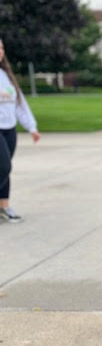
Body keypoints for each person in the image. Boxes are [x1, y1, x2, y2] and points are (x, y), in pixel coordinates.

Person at [0, 38, 40, 224]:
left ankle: (5, 207)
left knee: (4, 169)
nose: (0, 50)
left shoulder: (6, 75)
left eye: (1, 47)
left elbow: (19, 104)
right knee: (4, 166)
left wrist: (31, 127)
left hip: (9, 129)